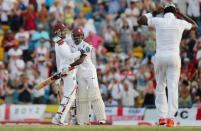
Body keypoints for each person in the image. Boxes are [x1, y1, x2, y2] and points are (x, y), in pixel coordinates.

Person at [137, 3, 197, 127]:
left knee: (160, 87)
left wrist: (154, 11)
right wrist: (182, 15)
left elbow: (140, 20)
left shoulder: (158, 20)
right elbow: (195, 26)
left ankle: (161, 118)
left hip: (159, 57)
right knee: (173, 87)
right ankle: (170, 118)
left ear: (163, 12)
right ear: (175, 12)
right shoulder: (179, 22)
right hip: (174, 57)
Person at [70, 27, 106, 125]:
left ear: (82, 36)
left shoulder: (87, 46)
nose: (77, 38)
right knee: (81, 97)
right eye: (75, 36)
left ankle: (101, 118)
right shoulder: (71, 46)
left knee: (95, 93)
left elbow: (81, 60)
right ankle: (83, 120)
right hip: (80, 73)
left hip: (90, 72)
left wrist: (70, 66)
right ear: (73, 37)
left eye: (79, 36)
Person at [51, 23, 84, 125]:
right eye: (62, 30)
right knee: (68, 96)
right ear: (57, 32)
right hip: (68, 71)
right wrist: (81, 52)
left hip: (67, 70)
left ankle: (72, 118)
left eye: (64, 30)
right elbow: (69, 56)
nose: (65, 32)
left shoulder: (60, 41)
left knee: (71, 96)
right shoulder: (60, 45)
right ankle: (58, 117)